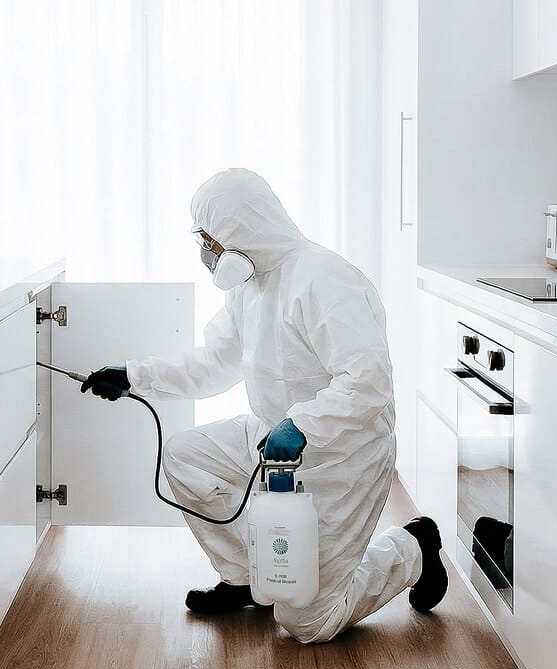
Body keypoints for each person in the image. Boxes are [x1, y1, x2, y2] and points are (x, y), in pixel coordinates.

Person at [81, 168, 447, 644]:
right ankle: (246, 580)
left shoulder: (326, 279)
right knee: (185, 456)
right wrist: (135, 375)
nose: (206, 252)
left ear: (239, 231)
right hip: (272, 434)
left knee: (308, 623)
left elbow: (368, 382)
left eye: (210, 240)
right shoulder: (249, 288)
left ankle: (413, 548)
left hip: (343, 457)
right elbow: (213, 364)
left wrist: (303, 424)